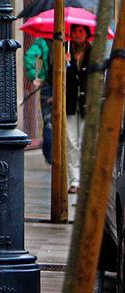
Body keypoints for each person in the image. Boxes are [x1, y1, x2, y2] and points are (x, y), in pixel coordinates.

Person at [66, 24, 92, 193]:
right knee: (71, 142)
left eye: (81, 31)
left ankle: (85, 179)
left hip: (86, 104)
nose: (77, 34)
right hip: (70, 104)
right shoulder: (65, 51)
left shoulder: (93, 53)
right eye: (74, 31)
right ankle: (75, 181)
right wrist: (64, 62)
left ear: (87, 34)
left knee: (84, 142)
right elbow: (53, 77)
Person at [25, 37, 53, 164]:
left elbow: (29, 56)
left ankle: (49, 154)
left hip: (47, 85)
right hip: (62, 86)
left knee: (48, 122)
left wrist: (33, 76)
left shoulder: (43, 41)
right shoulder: (68, 41)